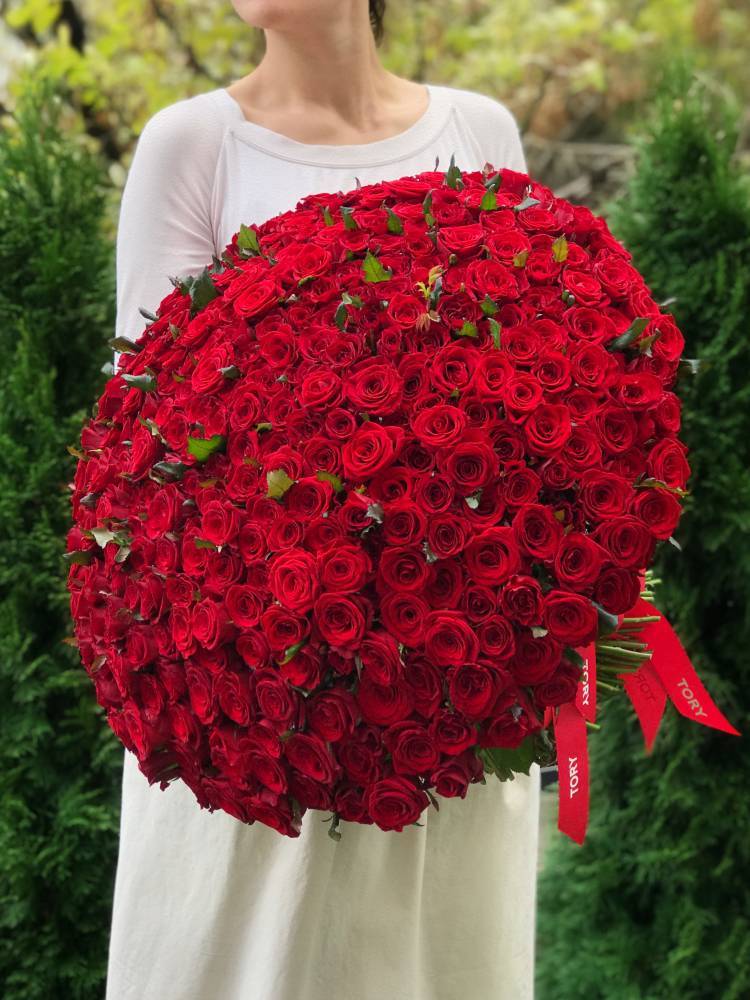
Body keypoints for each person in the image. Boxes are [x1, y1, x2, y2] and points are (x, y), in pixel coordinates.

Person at [107, 2, 541, 998]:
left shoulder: (480, 132)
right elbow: (148, 446)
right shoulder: (193, 143)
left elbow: (523, 391)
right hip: (264, 690)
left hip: (452, 682)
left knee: (437, 966)